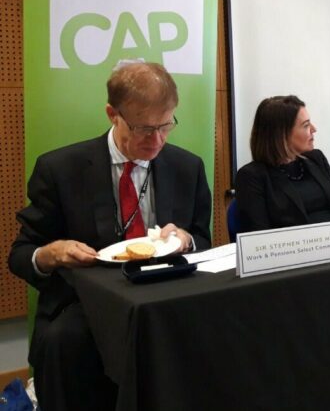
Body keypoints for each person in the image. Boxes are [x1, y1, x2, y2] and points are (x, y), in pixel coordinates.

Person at [7, 61, 211, 410]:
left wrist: (186, 240)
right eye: (145, 129)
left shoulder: (187, 167)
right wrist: (52, 253)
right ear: (112, 115)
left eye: (166, 126)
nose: (157, 140)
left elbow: (203, 242)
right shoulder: (60, 169)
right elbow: (21, 255)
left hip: (165, 298)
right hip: (86, 305)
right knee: (64, 344)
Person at [236, 95, 330, 231]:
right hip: (298, 249)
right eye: (306, 125)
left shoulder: (316, 159)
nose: (314, 129)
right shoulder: (252, 177)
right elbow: (258, 236)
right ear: (281, 135)